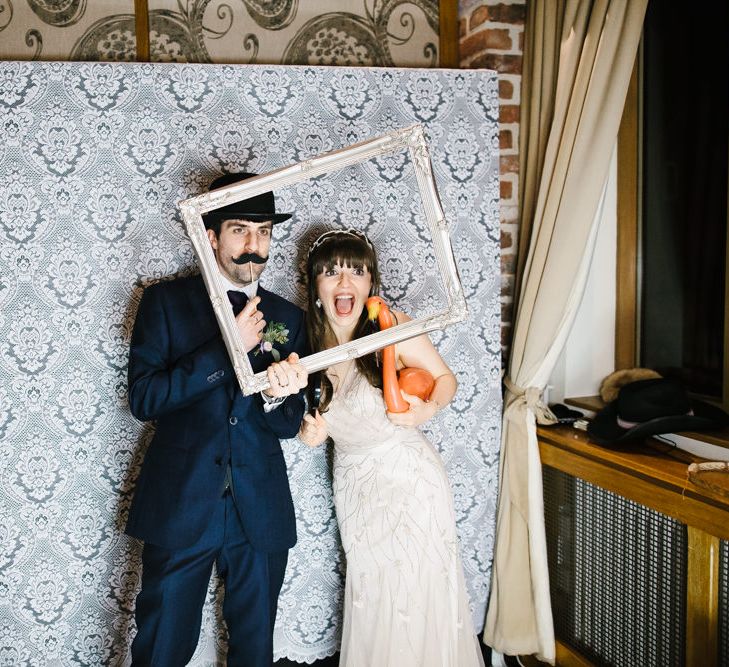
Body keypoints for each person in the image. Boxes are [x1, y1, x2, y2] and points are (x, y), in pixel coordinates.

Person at [126, 172, 308, 666]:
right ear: (211, 235)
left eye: (265, 232)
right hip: (182, 504)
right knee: (161, 650)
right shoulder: (164, 304)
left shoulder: (288, 320)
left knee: (255, 653)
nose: (255, 246)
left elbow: (290, 422)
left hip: (260, 512)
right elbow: (144, 399)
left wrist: (277, 398)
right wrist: (229, 352)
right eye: (241, 230)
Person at [298, 229, 485, 667]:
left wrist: (424, 412)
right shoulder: (311, 346)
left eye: (357, 272)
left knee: (415, 596)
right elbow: (329, 419)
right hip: (354, 490)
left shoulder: (389, 327)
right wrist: (315, 433)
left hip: (409, 483)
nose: (345, 283)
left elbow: (445, 380)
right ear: (316, 287)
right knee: (373, 597)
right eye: (332, 272)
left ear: (370, 284)